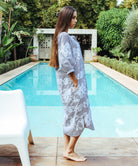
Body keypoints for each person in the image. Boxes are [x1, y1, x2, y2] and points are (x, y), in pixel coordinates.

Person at [49, 6, 94, 162]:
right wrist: (75, 81)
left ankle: (68, 150)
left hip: (67, 86)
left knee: (70, 116)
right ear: (67, 18)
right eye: (73, 18)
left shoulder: (62, 36)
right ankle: (69, 150)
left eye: (75, 17)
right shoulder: (63, 36)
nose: (75, 20)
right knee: (81, 115)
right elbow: (66, 61)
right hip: (72, 85)